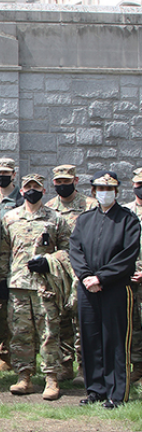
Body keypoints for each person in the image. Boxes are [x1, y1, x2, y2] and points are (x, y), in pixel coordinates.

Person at [0, 173, 71, 400]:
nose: (31, 190)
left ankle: (51, 378)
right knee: (20, 334)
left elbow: (68, 253)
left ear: (43, 190)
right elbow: (3, 253)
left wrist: (49, 261)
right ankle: (24, 376)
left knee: (49, 333)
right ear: (21, 191)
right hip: (18, 285)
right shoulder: (10, 218)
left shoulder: (55, 219)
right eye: (27, 187)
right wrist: (1, 280)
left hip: (44, 286)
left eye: (36, 187)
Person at [70, 171, 141, 409]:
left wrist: (101, 277)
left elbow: (127, 257)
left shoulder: (128, 220)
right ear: (93, 191)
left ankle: (116, 393)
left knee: (115, 340)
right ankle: (95, 389)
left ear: (116, 192)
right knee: (90, 339)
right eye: (101, 189)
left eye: (110, 190)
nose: (105, 193)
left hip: (115, 288)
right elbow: (76, 250)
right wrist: (87, 276)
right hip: (88, 288)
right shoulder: (85, 219)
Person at [45, 164, 98, 382]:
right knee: (62, 320)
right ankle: (65, 364)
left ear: (75, 181)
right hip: (59, 273)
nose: (63, 185)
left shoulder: (90, 205)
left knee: (83, 320)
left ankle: (85, 368)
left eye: (67, 182)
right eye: (59, 182)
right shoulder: (48, 207)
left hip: (84, 270)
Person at [0, 158, 23, 375]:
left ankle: (24, 358)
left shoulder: (21, 201)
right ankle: (5, 356)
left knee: (19, 315)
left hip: (16, 267)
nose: (1, 176)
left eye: (5, 172)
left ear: (13, 175)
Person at [124, 167, 142, 385]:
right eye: (138, 185)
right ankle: (137, 366)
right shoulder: (126, 213)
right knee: (133, 325)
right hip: (129, 278)